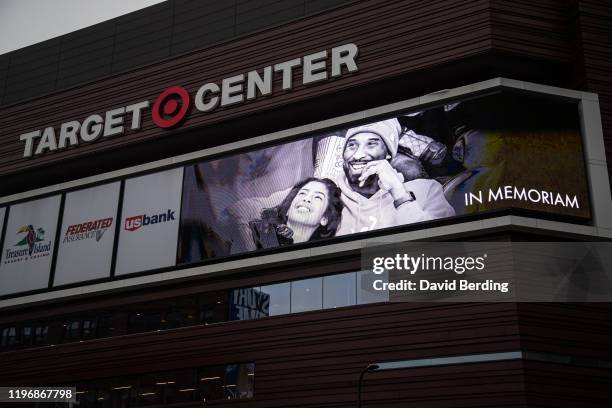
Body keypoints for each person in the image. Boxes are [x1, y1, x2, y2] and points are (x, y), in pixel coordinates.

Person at [336, 118, 455, 235]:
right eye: (351, 145)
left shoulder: (426, 189)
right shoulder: (327, 194)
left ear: (388, 153)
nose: (357, 155)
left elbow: (445, 246)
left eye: (371, 144)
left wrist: (399, 194)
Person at [249, 177, 343, 249]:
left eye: (318, 197)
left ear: (324, 218)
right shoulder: (254, 233)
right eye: (303, 193)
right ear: (288, 209)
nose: (307, 199)